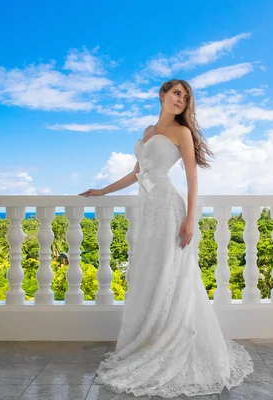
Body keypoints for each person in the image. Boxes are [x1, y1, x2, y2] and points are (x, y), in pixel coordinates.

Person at [79, 79, 254, 398]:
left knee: (169, 273)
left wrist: (190, 218)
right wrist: (103, 190)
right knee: (149, 272)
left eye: (185, 97)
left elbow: (191, 177)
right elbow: (137, 173)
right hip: (149, 211)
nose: (181, 100)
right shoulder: (148, 132)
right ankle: (149, 338)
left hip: (169, 209)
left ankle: (171, 340)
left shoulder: (182, 132)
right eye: (176, 94)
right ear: (162, 95)